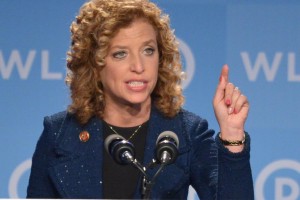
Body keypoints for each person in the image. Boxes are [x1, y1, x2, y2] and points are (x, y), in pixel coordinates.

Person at [27, 0, 254, 199]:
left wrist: (232, 136)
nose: (139, 67)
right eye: (120, 54)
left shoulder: (186, 132)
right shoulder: (58, 134)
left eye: (148, 50)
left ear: (160, 56)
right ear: (95, 64)